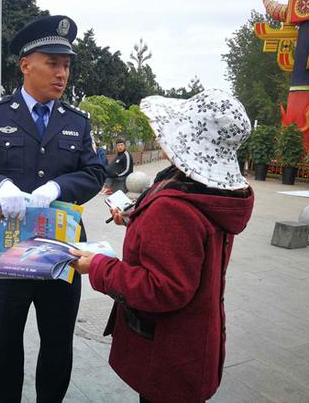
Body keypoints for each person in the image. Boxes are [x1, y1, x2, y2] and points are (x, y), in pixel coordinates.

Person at [0, 15, 106, 403]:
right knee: (3, 344)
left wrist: (59, 185)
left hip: (62, 254)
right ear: (26, 65)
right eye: (53, 63)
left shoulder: (77, 122)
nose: (62, 74)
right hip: (8, 253)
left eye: (67, 65)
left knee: (58, 345)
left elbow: (93, 172)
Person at [71, 89, 255, 403]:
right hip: (195, 339)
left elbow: (162, 289)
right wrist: (136, 220)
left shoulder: (176, 206)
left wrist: (98, 267)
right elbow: (188, 244)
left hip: (168, 352)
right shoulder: (206, 190)